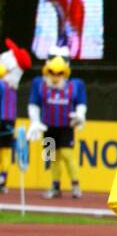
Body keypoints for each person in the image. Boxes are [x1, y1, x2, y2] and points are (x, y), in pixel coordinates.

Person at [25, 53, 87, 198]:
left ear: (64, 73)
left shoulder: (74, 86)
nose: (55, 76)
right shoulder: (40, 85)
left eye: (59, 73)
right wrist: (34, 121)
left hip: (66, 126)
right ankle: (55, 186)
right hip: (48, 127)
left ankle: (75, 185)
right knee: (51, 157)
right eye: (52, 72)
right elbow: (34, 104)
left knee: (67, 154)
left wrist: (80, 115)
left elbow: (81, 103)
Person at [0, 40, 32, 194]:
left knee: (4, 150)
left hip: (4, 119)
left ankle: (2, 179)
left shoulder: (4, 85)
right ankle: (2, 179)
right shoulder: (12, 87)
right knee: (5, 150)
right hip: (9, 119)